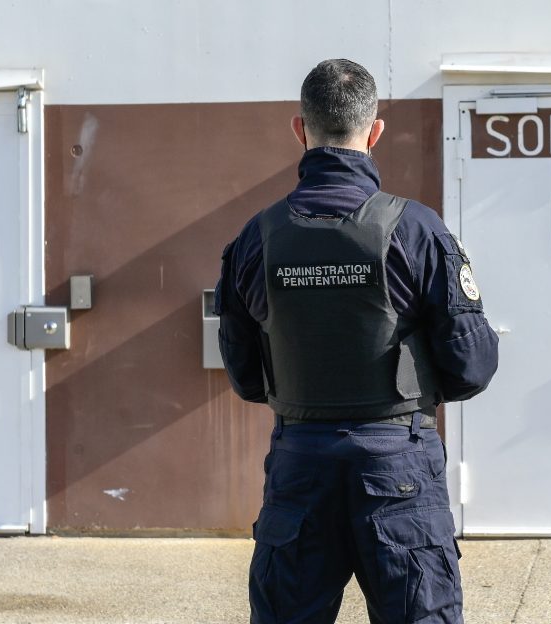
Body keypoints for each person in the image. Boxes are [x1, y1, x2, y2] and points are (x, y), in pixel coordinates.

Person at [214, 59, 501, 624]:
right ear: (374, 132)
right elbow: (471, 366)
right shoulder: (417, 230)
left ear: (301, 130)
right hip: (397, 466)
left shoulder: (257, 236)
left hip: (299, 463)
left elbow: (246, 375)